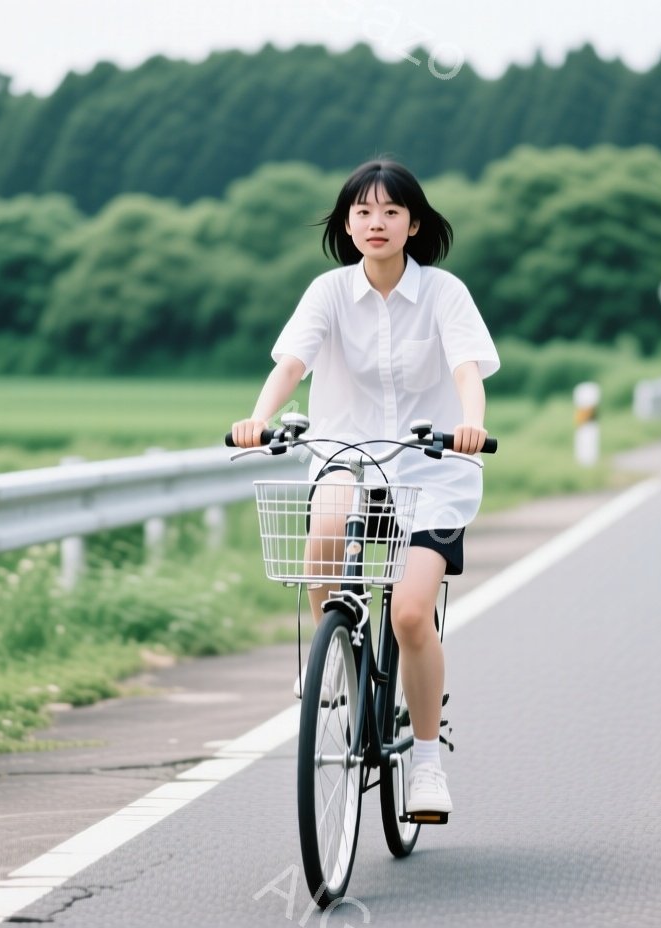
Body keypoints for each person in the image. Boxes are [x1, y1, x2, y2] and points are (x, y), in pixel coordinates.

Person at [230, 158, 499, 817]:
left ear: (414, 224)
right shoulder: (327, 293)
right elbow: (293, 361)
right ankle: (338, 659)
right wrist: (259, 419)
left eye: (390, 213)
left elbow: (467, 367)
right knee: (324, 530)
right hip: (347, 457)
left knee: (409, 612)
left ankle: (428, 767)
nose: (375, 224)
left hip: (429, 468)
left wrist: (471, 425)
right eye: (362, 213)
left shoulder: (444, 293)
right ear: (346, 225)